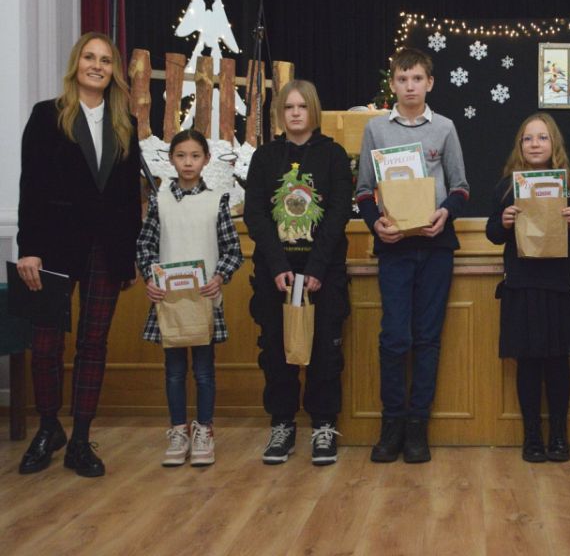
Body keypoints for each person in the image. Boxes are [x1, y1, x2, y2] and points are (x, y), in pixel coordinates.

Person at [16, 32, 142, 477]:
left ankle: (82, 439)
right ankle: (49, 428)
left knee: (94, 343)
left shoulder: (125, 121)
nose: (97, 66)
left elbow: (128, 197)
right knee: (46, 343)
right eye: (90, 57)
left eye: (105, 60)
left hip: (106, 250)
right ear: (76, 64)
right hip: (52, 247)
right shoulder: (47, 115)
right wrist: (28, 249)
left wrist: (127, 255)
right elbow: (31, 184)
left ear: (113, 71)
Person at [355, 47, 469, 464]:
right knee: (394, 337)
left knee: (426, 338)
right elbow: (363, 191)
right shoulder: (375, 130)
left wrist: (445, 213)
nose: (410, 86)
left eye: (417, 78)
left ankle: (418, 427)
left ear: (429, 83)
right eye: (402, 79)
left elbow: (461, 187)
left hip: (436, 247)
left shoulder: (445, 128)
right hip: (394, 249)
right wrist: (376, 225)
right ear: (392, 84)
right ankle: (392, 425)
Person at [244, 80, 353, 466]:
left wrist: (317, 268)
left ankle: (323, 425)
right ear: (279, 113)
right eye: (288, 107)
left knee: (325, 352)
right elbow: (255, 214)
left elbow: (338, 213)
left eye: (301, 106)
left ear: (313, 111)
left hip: (323, 273)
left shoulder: (334, 156)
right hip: (276, 274)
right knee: (276, 352)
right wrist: (277, 266)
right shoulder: (264, 157)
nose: (294, 113)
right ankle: (282, 424)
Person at [485, 113, 570, 462]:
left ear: (553, 143)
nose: (534, 144)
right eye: (528, 138)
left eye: (542, 138)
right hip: (522, 284)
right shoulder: (507, 186)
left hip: (560, 284)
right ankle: (531, 436)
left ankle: (559, 435)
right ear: (520, 145)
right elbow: (493, 234)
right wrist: (503, 221)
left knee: (558, 363)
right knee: (528, 363)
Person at [136, 129, 243, 467]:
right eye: (181, 156)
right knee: (174, 371)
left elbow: (232, 250)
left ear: (206, 160)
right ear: (171, 160)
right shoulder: (160, 200)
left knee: (204, 371)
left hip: (204, 301)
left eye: (195, 156)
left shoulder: (217, 200)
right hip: (168, 302)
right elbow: (145, 245)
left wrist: (219, 277)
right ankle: (178, 430)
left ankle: (204, 431)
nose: (188, 163)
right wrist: (150, 278)